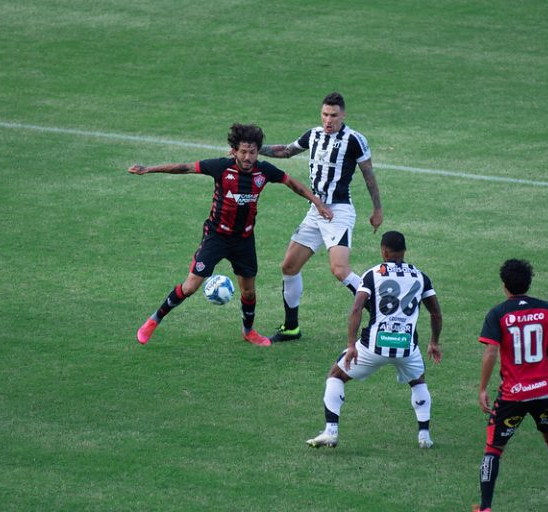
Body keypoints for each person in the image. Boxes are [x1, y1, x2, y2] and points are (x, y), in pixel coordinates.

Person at [128, 123, 333, 347]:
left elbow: (293, 184)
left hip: (244, 240)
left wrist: (317, 203)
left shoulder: (264, 171)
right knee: (190, 287)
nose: (247, 157)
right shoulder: (220, 167)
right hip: (217, 236)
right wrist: (149, 169)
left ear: (258, 151)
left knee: (248, 290)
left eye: (252, 152)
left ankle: (248, 331)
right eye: (243, 151)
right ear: (234, 150)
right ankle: (153, 321)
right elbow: (184, 168)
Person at [259, 92, 383, 342]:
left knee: (339, 270)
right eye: (325, 114)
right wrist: (253, 149)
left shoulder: (354, 140)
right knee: (289, 266)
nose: (329, 120)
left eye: (334, 115)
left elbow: (368, 175)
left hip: (338, 212)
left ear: (343, 115)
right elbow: (285, 151)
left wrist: (377, 209)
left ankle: (379, 313)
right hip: (315, 211)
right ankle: (291, 327)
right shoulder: (312, 135)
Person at [305, 231, 442, 449]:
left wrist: (351, 345)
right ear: (404, 251)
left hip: (373, 346)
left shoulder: (372, 274)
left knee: (336, 375)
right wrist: (434, 341)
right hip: (407, 347)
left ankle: (331, 430)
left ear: (384, 250)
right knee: (418, 380)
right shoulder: (420, 276)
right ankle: (424, 436)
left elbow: (357, 307)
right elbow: (435, 312)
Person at [473, 259, 548, 512]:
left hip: (513, 395)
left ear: (504, 286)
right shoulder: (547, 309)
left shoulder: (498, 313)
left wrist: (482, 388)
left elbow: (490, 353)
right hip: (544, 391)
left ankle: (486, 507)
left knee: (493, 449)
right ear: (529, 282)